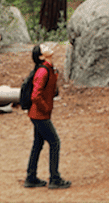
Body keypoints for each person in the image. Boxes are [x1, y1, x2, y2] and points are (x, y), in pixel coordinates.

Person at [24, 44, 71, 189]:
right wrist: (46, 109)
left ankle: (31, 178)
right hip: (39, 114)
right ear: (41, 57)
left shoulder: (48, 68)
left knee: (38, 144)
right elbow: (35, 96)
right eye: (43, 47)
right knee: (55, 142)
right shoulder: (43, 71)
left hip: (38, 114)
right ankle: (55, 179)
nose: (47, 46)